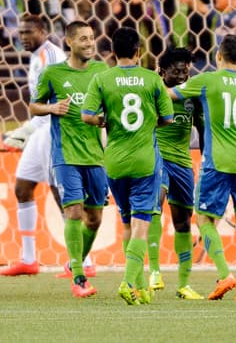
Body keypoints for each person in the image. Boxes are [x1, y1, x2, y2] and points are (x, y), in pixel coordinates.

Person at [81, 26, 173, 305]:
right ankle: (128, 282)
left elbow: (87, 116)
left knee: (126, 223)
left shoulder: (101, 79)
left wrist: (104, 121)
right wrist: (148, 122)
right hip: (144, 162)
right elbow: (168, 118)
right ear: (138, 51)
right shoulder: (152, 79)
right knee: (142, 226)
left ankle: (141, 289)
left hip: (115, 163)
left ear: (111, 53)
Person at [170, 35, 236, 301]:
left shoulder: (208, 80)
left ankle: (224, 274)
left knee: (204, 219)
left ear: (218, 56)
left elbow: (171, 93)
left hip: (217, 161)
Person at [31, 19, 107, 299]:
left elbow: (112, 103)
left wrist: (105, 119)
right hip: (65, 154)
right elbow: (33, 105)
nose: (89, 43)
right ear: (70, 42)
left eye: (92, 38)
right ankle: (78, 276)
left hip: (96, 155)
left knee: (95, 219)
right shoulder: (52, 73)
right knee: (74, 211)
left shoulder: (102, 71)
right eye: (84, 39)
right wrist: (52, 107)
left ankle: (74, 260)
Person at [0, 15, 73, 277]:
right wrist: (26, 129)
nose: (22, 38)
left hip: (54, 130)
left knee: (61, 195)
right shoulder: (36, 56)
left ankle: (82, 262)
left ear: (42, 31)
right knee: (22, 187)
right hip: (40, 131)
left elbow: (60, 99)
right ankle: (29, 259)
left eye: (28, 32)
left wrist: (24, 131)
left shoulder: (53, 57)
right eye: (20, 33)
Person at [146, 47, 202, 299]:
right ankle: (155, 271)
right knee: (154, 205)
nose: (182, 76)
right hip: (157, 156)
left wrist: (208, 161)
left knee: (183, 222)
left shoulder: (193, 93)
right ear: (162, 71)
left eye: (185, 71)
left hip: (182, 161)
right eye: (176, 71)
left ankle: (183, 284)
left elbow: (201, 128)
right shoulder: (153, 90)